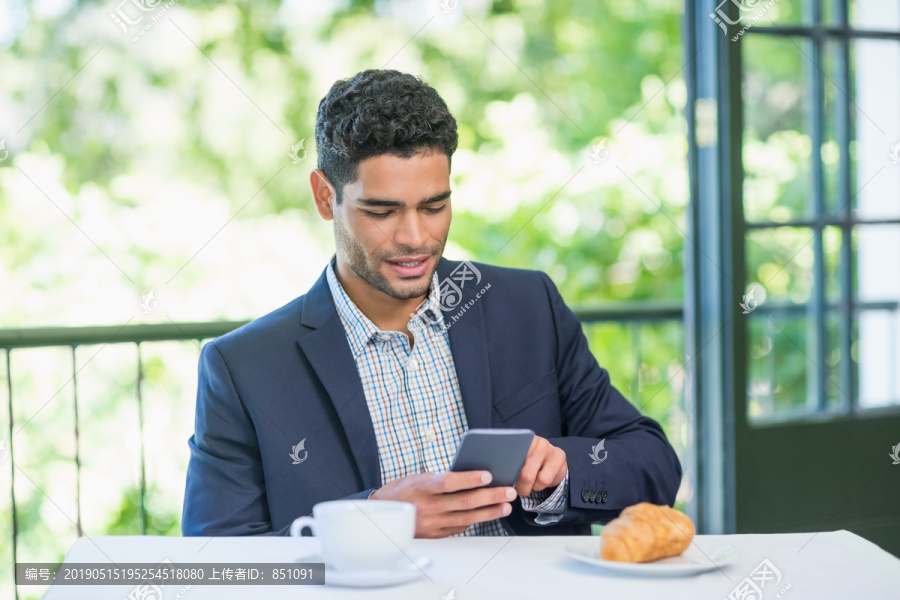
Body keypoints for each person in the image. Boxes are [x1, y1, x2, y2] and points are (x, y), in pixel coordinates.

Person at [182, 68, 681, 538]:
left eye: (434, 206)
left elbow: (653, 467)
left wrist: (562, 472)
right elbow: (218, 559)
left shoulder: (527, 307)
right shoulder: (244, 368)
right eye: (382, 210)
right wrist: (375, 520)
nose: (416, 238)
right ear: (323, 196)